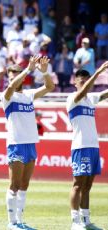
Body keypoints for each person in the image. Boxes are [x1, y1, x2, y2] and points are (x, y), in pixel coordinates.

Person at [1, 56, 55, 230]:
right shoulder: (7, 96)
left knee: (24, 185)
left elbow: (50, 87)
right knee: (14, 185)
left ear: (23, 79)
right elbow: (10, 87)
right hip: (16, 143)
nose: (13, 80)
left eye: (15, 76)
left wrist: (44, 71)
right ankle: (11, 222)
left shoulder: (29, 95)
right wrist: (27, 69)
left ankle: (20, 220)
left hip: (31, 143)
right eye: (10, 77)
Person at [67, 64, 108, 230]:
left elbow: (105, 94)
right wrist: (98, 72)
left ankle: (86, 220)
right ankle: (74, 222)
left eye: (86, 81)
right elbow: (83, 92)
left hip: (93, 146)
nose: (84, 84)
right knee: (78, 184)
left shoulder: (91, 99)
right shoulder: (72, 99)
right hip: (80, 146)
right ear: (75, 83)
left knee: (88, 185)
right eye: (81, 81)